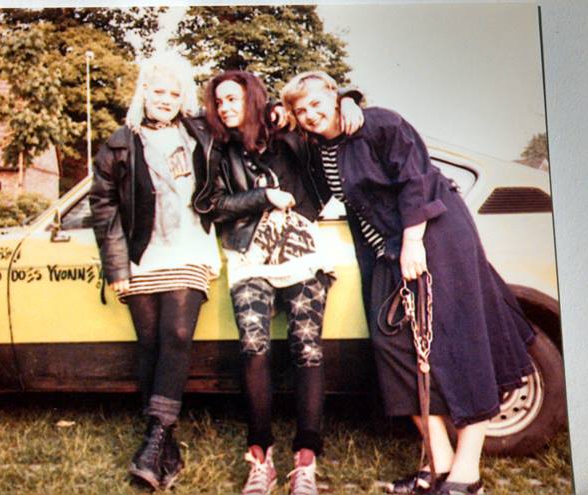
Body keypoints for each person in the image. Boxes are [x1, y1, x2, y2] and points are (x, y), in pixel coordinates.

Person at [280, 71, 536, 495]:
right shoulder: (316, 147)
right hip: (386, 251)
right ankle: (440, 463)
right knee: (393, 346)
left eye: (315, 103)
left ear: (333, 94)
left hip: (434, 234)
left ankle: (466, 475)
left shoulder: (378, 123)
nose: (309, 114)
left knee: (458, 345)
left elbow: (416, 177)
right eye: (299, 109)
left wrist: (414, 240)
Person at [196, 70, 363, 495]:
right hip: (248, 255)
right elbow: (213, 204)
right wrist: (262, 198)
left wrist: (350, 99)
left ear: (252, 99)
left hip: (301, 254)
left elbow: (320, 114)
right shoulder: (217, 146)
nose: (225, 108)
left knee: (307, 348)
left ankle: (305, 461)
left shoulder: (287, 131)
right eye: (219, 102)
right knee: (253, 347)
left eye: (233, 99)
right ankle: (261, 459)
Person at [89, 51, 221, 491]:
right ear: (143, 92)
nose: (165, 99)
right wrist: (116, 265)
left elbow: (253, 120)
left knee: (177, 337)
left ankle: (154, 437)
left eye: (173, 92)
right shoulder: (120, 142)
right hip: (143, 254)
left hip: (189, 248)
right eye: (157, 90)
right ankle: (165, 445)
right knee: (150, 344)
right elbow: (103, 205)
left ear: (183, 96)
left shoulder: (201, 131)